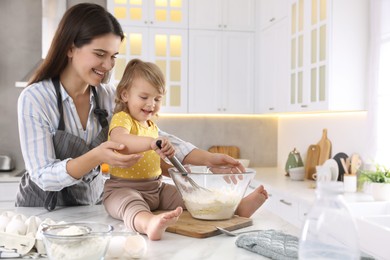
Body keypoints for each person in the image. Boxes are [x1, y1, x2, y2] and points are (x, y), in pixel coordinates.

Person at [16, 3, 267, 220]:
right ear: (70, 48)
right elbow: (43, 176)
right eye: (100, 54)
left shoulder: (106, 94)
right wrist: (97, 156)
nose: (107, 66)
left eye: (113, 56)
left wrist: (208, 160)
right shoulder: (36, 98)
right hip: (40, 213)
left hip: (89, 210)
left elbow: (155, 136)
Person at [103, 59, 268, 240]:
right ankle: (149, 223)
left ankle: (237, 208)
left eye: (157, 99)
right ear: (125, 94)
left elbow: (153, 164)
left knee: (192, 196)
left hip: (156, 188)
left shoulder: (151, 126)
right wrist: (151, 142)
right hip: (123, 189)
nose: (151, 104)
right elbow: (120, 140)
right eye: (144, 97)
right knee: (131, 205)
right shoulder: (122, 119)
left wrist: (175, 173)